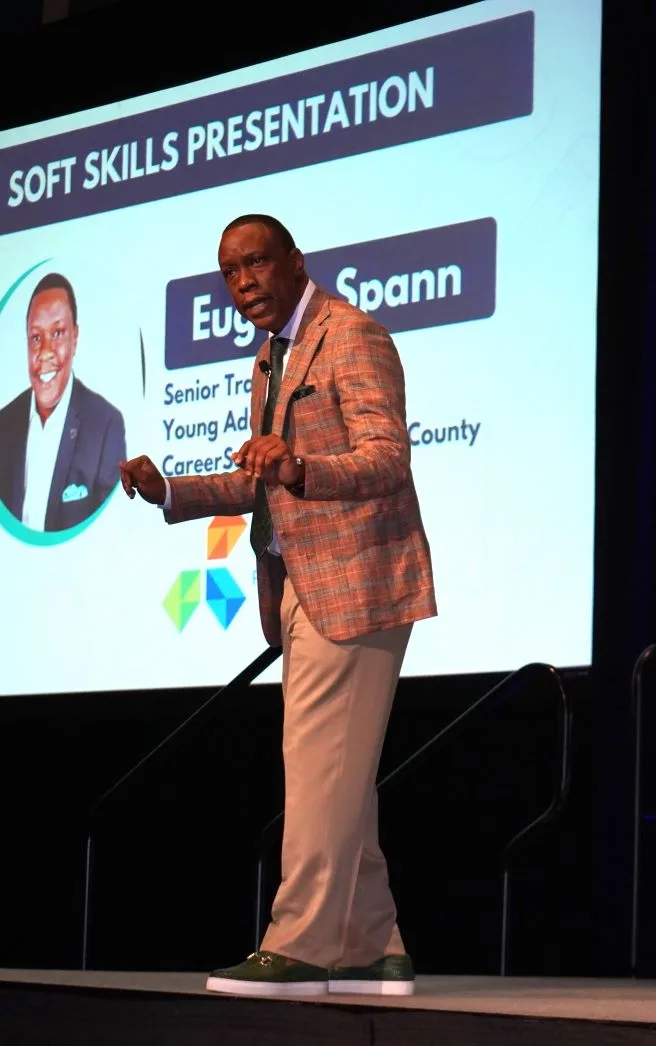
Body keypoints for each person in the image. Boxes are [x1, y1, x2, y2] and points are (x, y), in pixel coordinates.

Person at [120, 215, 436, 997]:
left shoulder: (351, 334)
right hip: (296, 585)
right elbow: (259, 477)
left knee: (320, 769)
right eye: (230, 272)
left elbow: (385, 458)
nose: (243, 283)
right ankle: (371, 946)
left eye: (256, 262)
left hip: (357, 582)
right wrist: (170, 491)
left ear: (296, 261)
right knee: (339, 774)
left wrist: (299, 467)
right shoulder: (270, 357)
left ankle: (300, 946)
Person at [0, 272, 126, 532]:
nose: (45, 352)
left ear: (75, 337)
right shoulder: (5, 424)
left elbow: (111, 532)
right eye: (36, 338)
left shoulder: (105, 424)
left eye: (58, 333)